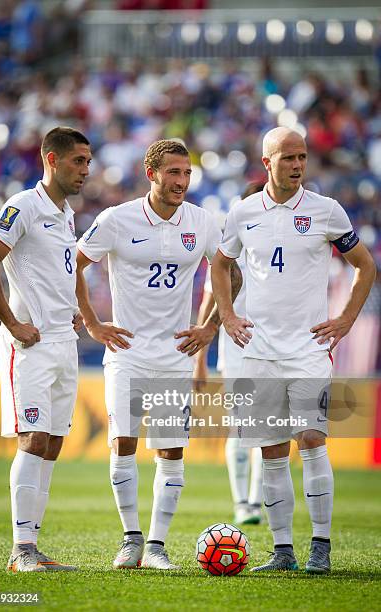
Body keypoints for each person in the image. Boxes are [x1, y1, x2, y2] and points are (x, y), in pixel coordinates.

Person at [211, 127, 376, 574]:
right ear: (266, 163)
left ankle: (320, 546)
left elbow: (365, 266)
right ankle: (282, 550)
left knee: (312, 441)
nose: (298, 165)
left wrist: (345, 321)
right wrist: (226, 315)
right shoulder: (243, 212)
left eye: (302, 156)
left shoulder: (326, 211)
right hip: (260, 351)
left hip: (308, 350)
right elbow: (221, 264)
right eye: (287, 158)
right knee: (270, 450)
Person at [76, 139, 242, 570]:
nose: (181, 181)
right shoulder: (117, 219)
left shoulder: (202, 221)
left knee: (171, 452)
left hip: (173, 356)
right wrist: (93, 323)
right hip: (126, 352)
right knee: (123, 444)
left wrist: (210, 326)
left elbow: (228, 270)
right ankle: (131, 539)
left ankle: (155, 547)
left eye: (186, 173)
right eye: (173, 172)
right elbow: (71, 263)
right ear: (152, 173)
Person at [0, 127, 92, 572]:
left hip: (64, 339)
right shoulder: (22, 205)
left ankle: (33, 547)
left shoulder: (65, 213)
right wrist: (12, 323)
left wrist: (75, 312)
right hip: (31, 344)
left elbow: (59, 270)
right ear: (51, 159)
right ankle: (20, 551)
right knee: (34, 436)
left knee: (54, 442)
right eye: (77, 161)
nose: (85, 170)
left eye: (88, 162)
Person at [194, 183, 265, 526]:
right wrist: (199, 362)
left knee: (269, 427)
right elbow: (207, 309)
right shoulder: (226, 258)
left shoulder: (281, 252)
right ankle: (243, 503)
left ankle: (257, 500)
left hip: (273, 349)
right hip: (235, 350)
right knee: (241, 427)